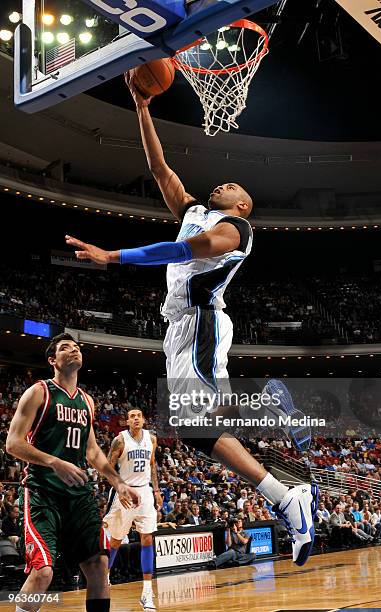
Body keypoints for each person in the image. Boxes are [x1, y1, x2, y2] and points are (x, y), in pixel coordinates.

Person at [63, 75, 319, 568]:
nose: (222, 182)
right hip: (179, 329)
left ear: (243, 205)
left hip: (200, 323)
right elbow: (160, 170)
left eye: (234, 186)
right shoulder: (195, 209)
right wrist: (141, 105)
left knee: (197, 425)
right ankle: (287, 498)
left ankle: (274, 427)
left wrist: (112, 256)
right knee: (199, 432)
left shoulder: (237, 229)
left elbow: (186, 250)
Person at [6, 333, 140, 612]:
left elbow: (92, 452)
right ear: (53, 360)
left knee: (99, 564)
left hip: (78, 495)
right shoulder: (39, 391)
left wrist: (119, 482)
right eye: (66, 347)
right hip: (42, 491)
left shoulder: (87, 402)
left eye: (77, 347)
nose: (74, 350)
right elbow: (13, 444)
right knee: (43, 573)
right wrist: (54, 461)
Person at [104, 408, 161, 610]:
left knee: (147, 537)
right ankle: (106, 575)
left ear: (144, 420)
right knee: (116, 540)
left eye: (139, 416)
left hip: (145, 492)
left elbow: (152, 465)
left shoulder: (151, 439)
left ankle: (147, 592)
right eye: (132, 416)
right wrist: (119, 489)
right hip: (125, 492)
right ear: (127, 421)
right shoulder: (119, 440)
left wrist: (156, 491)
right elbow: (108, 468)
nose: (136, 418)